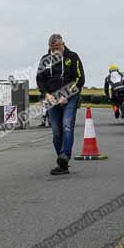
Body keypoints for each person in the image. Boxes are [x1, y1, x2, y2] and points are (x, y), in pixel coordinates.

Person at [36, 34, 85, 176]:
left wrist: (66, 94)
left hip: (70, 96)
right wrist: (46, 94)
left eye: (57, 47)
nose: (55, 51)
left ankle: (65, 155)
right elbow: (40, 79)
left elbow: (80, 78)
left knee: (67, 125)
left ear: (63, 44)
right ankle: (62, 163)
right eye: (52, 48)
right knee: (56, 131)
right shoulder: (45, 60)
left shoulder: (73, 57)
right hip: (52, 98)